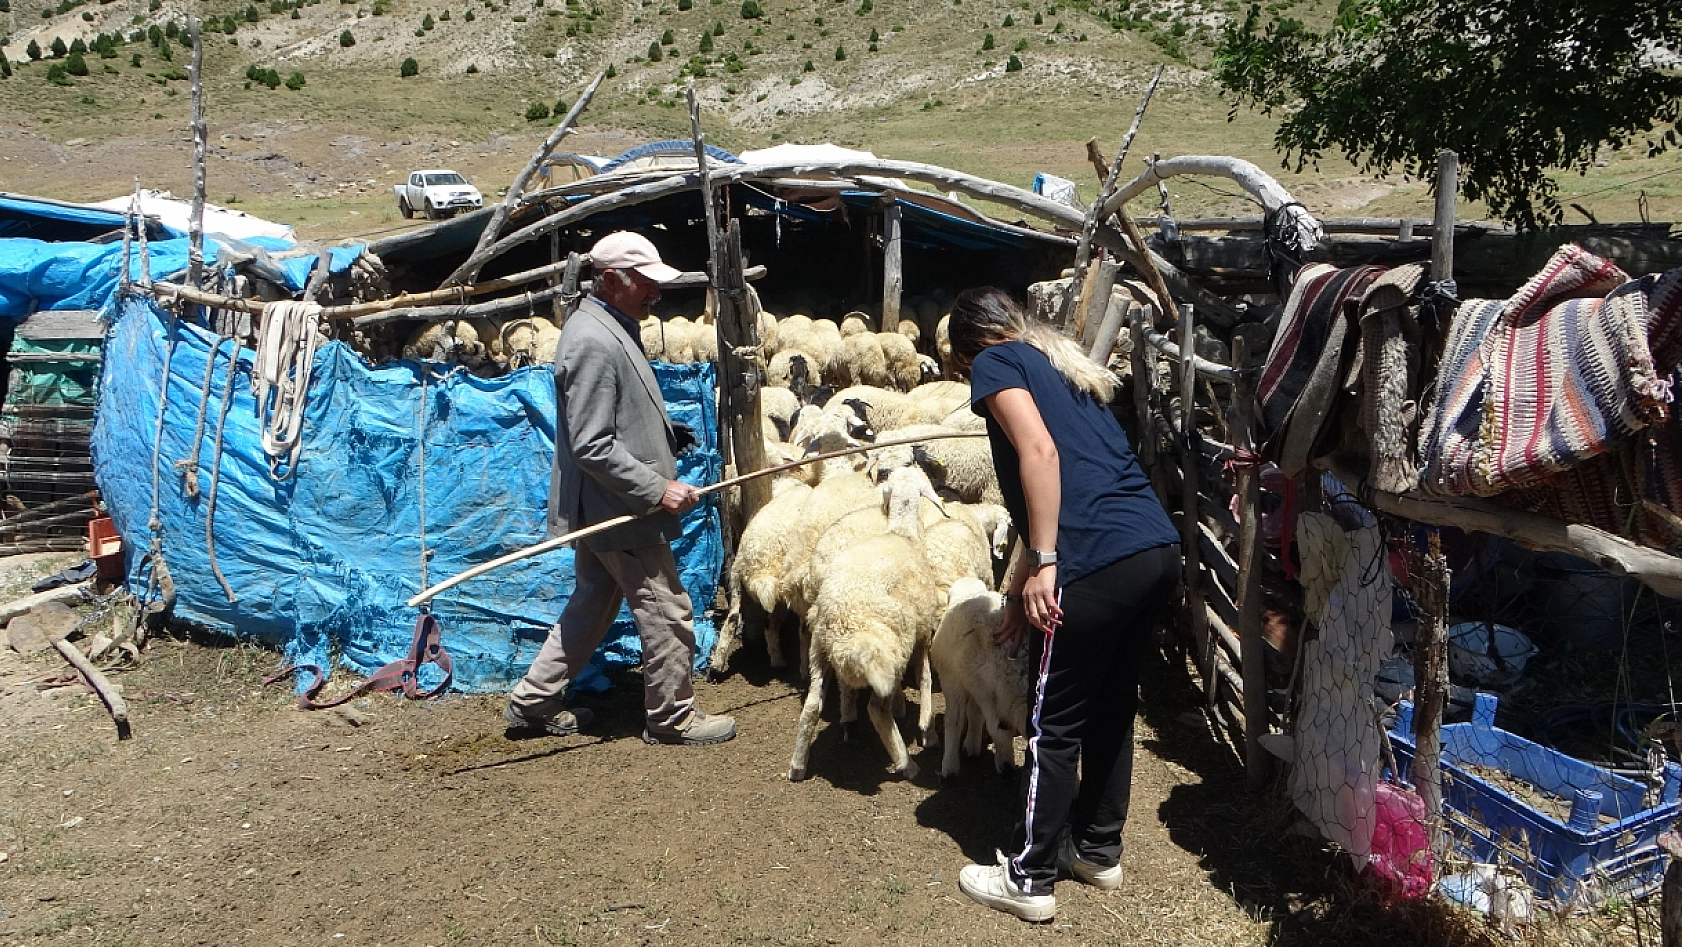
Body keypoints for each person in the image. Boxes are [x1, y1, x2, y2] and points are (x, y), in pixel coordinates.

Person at [948, 287, 1181, 922]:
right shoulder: (1062, 365)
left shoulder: (996, 361)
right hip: (1153, 550)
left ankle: (1028, 877)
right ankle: (1098, 849)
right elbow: (1074, 479)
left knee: (1053, 721)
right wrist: (1019, 580)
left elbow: (1041, 454)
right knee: (1111, 705)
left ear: (968, 347)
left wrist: (1047, 562)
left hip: (1093, 562)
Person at [503, 231, 737, 747]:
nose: (656, 292)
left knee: (593, 600)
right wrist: (657, 489)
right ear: (611, 280)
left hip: (607, 502)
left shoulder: (609, 326)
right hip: (620, 508)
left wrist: (664, 433)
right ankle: (672, 717)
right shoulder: (591, 339)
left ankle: (534, 701)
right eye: (645, 283)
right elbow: (592, 444)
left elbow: (611, 418)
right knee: (668, 609)